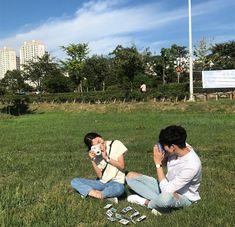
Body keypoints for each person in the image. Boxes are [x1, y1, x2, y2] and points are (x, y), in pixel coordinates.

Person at [126, 125, 202, 214]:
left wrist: (158, 164)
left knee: (165, 198)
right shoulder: (179, 146)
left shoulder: (191, 166)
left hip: (183, 196)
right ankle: (159, 203)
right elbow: (166, 164)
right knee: (130, 177)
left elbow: (167, 191)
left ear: (173, 147)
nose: (163, 147)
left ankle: (147, 203)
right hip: (167, 185)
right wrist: (163, 154)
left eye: (164, 145)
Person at [71, 132, 128, 203]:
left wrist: (106, 158)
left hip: (116, 182)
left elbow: (122, 166)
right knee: (74, 181)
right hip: (102, 183)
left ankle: (91, 194)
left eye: (98, 140)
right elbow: (99, 175)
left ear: (99, 136)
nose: (100, 144)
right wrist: (92, 160)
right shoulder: (97, 153)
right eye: (97, 145)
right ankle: (101, 195)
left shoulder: (115, 144)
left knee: (120, 189)